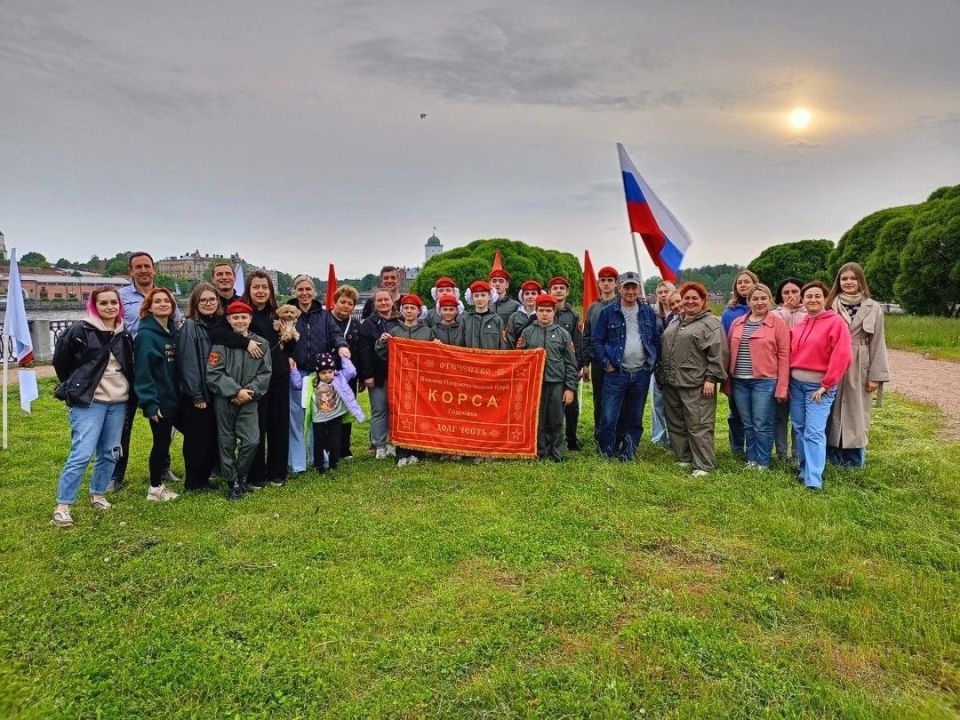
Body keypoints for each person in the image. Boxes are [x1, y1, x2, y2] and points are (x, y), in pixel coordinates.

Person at [50, 288, 134, 527]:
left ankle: (98, 494)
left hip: (117, 401)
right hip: (89, 401)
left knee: (110, 452)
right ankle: (63, 505)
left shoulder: (123, 333)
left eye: (114, 303)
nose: (109, 307)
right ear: (95, 305)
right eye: (104, 303)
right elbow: (61, 361)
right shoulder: (81, 330)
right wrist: (78, 384)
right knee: (82, 453)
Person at [110, 251, 182, 491]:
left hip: (156, 364)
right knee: (123, 424)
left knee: (163, 421)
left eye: (147, 266)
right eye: (138, 267)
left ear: (154, 270)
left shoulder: (164, 296)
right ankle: (116, 474)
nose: (143, 270)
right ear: (130, 271)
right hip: (126, 365)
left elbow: (176, 325)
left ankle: (163, 467)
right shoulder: (120, 297)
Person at [657, 282, 728, 477]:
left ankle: (704, 464)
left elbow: (718, 353)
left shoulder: (710, 323)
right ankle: (684, 457)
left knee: (699, 423)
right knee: (677, 421)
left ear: (703, 301)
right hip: (672, 381)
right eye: (686, 298)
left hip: (697, 383)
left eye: (694, 298)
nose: (689, 301)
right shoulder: (677, 321)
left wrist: (711, 378)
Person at [826, 262, 890, 467]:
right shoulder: (830, 305)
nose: (848, 282)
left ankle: (854, 459)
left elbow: (878, 342)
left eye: (853, 278)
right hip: (833, 361)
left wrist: (875, 376)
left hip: (860, 362)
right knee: (832, 408)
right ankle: (832, 455)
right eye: (844, 279)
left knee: (856, 411)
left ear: (860, 280)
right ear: (838, 281)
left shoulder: (873, 307)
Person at [789, 281, 852, 490]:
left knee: (814, 431)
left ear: (825, 299)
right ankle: (804, 468)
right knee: (799, 428)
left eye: (817, 296)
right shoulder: (800, 325)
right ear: (802, 300)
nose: (813, 300)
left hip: (819, 389)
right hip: (796, 385)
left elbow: (842, 356)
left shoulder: (836, 323)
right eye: (808, 296)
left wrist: (826, 385)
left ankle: (813, 479)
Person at [206, 301, 273, 500]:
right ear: (228, 319)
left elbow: (265, 372)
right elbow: (213, 373)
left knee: (252, 441)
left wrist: (248, 392)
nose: (240, 321)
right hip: (225, 400)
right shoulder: (221, 344)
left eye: (244, 317)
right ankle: (232, 481)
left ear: (250, 319)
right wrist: (235, 391)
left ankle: (240, 473)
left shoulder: (262, 344)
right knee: (226, 441)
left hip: (250, 400)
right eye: (235, 317)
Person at [592, 271, 661, 461]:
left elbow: (655, 339)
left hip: (640, 373)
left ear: (639, 288)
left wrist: (651, 362)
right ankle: (606, 451)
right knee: (609, 416)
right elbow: (597, 341)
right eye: (626, 287)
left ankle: (628, 452)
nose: (630, 291)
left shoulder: (648, 312)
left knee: (635, 417)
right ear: (619, 288)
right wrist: (606, 363)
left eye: (634, 287)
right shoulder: (608, 312)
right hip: (616, 373)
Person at [285, 275, 349, 473]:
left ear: (314, 291)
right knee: (295, 418)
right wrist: (286, 356)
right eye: (300, 289)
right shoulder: (288, 314)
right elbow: (280, 337)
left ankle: (318, 456)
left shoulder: (324, 315)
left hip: (318, 375)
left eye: (308, 289)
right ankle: (297, 463)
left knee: (318, 418)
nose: (304, 293)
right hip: (296, 371)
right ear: (295, 291)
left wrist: (341, 346)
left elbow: (336, 333)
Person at [725, 283, 790, 471]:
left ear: (769, 299)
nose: (759, 302)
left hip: (765, 381)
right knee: (747, 423)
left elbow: (784, 356)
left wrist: (782, 386)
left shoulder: (778, 323)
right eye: (755, 298)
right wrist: (728, 382)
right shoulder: (738, 323)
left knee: (762, 423)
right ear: (749, 300)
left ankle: (762, 461)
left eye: (763, 298)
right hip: (740, 381)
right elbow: (729, 352)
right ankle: (751, 459)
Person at [244, 271, 292, 488]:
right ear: (249, 290)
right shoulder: (244, 314)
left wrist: (288, 334)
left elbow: (290, 347)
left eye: (265, 287)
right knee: (257, 426)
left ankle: (277, 472)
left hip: (279, 376)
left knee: (279, 425)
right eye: (256, 287)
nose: (261, 291)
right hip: (254, 378)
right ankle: (256, 474)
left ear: (270, 291)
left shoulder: (278, 314)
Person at [134, 287, 182, 502]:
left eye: (167, 301)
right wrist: (150, 404)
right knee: (161, 443)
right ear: (149, 307)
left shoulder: (171, 331)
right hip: (159, 400)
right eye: (158, 301)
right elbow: (143, 372)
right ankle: (155, 488)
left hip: (175, 397)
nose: (163, 304)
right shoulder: (145, 336)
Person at [376, 294, 435, 466]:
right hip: (401, 381)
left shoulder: (427, 331)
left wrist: (437, 345)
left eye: (412, 308)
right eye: (406, 308)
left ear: (419, 311)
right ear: (402, 311)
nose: (409, 311)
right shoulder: (395, 331)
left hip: (421, 381)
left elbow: (435, 357)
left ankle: (418, 451)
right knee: (401, 415)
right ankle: (402, 451)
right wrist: (381, 342)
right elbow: (383, 355)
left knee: (421, 414)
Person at [517, 294, 577, 461]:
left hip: (556, 383)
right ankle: (539, 451)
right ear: (536, 311)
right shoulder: (527, 333)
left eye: (548, 311)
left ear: (554, 312)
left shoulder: (563, 334)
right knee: (537, 419)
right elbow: (518, 359)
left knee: (556, 419)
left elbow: (571, 364)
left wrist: (570, 388)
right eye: (541, 310)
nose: (544, 314)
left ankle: (556, 452)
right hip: (534, 384)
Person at [177, 283, 221, 492]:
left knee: (210, 436)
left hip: (214, 391)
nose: (208, 303)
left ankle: (205, 478)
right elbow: (188, 363)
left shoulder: (218, 324)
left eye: (212, 299)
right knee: (197, 440)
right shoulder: (190, 327)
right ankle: (194, 483)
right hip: (198, 393)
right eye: (203, 300)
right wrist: (196, 395)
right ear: (195, 303)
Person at [720, 269, 760, 459]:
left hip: (760, 371)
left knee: (758, 414)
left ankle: (757, 449)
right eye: (739, 283)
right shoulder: (730, 313)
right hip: (736, 370)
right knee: (736, 412)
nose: (743, 285)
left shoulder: (764, 310)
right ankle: (737, 447)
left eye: (747, 282)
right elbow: (725, 343)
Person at [357, 288, 400, 459]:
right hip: (377, 373)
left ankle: (393, 441)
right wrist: (367, 375)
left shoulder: (401, 321)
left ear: (392, 301)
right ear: (374, 303)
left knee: (395, 409)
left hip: (397, 373)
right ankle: (378, 444)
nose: (383, 303)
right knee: (379, 409)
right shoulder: (368, 324)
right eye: (379, 300)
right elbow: (364, 351)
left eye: (386, 299)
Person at [306, 352, 365, 474]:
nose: (327, 375)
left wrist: (344, 357)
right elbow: (297, 384)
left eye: (330, 372)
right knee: (319, 442)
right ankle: (319, 466)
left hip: (335, 417)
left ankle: (333, 464)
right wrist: (294, 371)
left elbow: (352, 371)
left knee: (335, 442)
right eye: (323, 373)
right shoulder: (311, 381)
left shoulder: (339, 378)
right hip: (319, 419)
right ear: (317, 373)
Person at [582, 267, 619, 448]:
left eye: (610, 280)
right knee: (599, 398)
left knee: (618, 398)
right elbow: (587, 336)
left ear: (615, 283)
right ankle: (599, 433)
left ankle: (617, 434)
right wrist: (586, 364)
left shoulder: (621, 304)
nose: (606, 283)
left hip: (618, 362)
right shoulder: (593, 308)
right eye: (603, 280)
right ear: (598, 283)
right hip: (597, 361)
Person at [772, 277, 806, 462]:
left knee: (799, 418)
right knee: (780, 415)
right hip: (778, 371)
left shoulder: (809, 314)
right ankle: (781, 454)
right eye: (786, 292)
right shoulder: (775, 315)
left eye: (794, 291)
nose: (790, 296)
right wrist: (785, 312)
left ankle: (797, 455)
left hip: (801, 371)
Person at [548, 276, 584, 450]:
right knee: (551, 405)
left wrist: (579, 365)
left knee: (571, 406)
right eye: (555, 288)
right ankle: (551, 438)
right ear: (550, 292)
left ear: (567, 292)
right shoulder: (545, 310)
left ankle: (572, 439)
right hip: (550, 367)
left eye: (562, 288)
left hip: (568, 367)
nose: (559, 291)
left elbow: (578, 342)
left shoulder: (573, 315)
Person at [329, 285, 362, 459]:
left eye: (350, 303)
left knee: (347, 409)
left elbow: (360, 350)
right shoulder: (325, 319)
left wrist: (361, 376)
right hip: (328, 375)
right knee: (329, 409)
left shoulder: (356, 324)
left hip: (348, 375)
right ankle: (329, 447)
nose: (346, 306)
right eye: (342, 302)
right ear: (335, 302)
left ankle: (344, 448)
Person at [649, 280, 676, 447]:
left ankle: (675, 436)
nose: (663, 295)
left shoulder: (679, 314)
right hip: (657, 363)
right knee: (657, 402)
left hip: (674, 364)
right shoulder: (654, 315)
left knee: (673, 403)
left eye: (666, 291)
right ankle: (659, 437)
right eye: (660, 292)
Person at [460, 280, 508, 349]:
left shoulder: (497, 320)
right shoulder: (466, 319)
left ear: (489, 297)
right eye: (476, 296)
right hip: (470, 359)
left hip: (491, 359)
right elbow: (459, 345)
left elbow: (503, 346)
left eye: (483, 295)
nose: (480, 299)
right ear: (472, 298)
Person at [505, 279, 543, 348]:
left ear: (539, 296)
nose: (530, 296)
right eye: (527, 293)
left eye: (533, 293)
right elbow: (510, 339)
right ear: (522, 296)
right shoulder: (514, 317)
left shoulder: (543, 316)